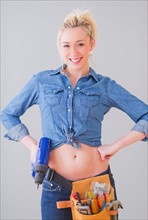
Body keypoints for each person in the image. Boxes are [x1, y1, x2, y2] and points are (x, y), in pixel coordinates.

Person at [0, 9, 148, 220]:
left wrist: (116, 146)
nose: (73, 52)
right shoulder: (42, 82)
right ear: (59, 47)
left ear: (91, 45)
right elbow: (7, 114)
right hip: (54, 185)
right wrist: (32, 146)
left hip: (97, 187)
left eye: (80, 43)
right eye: (66, 45)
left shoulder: (104, 86)